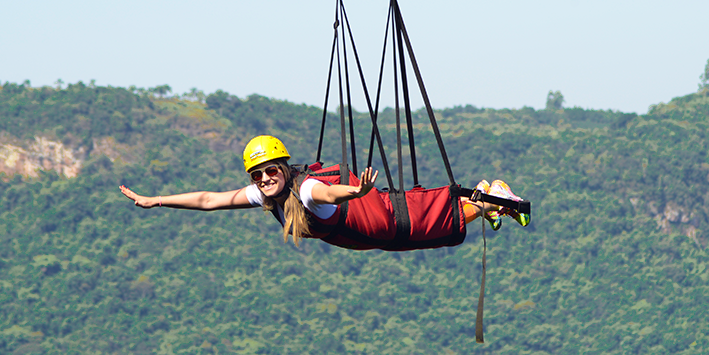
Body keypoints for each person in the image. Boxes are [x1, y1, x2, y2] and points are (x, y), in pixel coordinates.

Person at [119, 135, 529, 250]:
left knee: (431, 226)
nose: (263, 179)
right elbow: (211, 200)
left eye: (270, 171)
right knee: (437, 229)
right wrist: (156, 201)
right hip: (375, 236)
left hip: (382, 219)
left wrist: (356, 191)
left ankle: (494, 196)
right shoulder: (268, 196)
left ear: (284, 167)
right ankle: (486, 199)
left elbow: (327, 196)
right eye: (257, 174)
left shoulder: (306, 189)